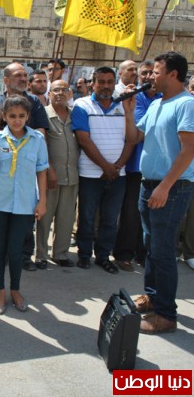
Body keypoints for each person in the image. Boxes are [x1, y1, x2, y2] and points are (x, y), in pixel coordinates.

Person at [124, 51, 194, 334]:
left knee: (163, 251)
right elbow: (134, 137)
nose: (151, 76)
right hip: (149, 184)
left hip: (171, 188)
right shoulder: (156, 103)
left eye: (155, 71)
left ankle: (166, 315)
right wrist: (128, 112)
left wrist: (165, 187)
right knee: (151, 246)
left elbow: (189, 150)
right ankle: (153, 297)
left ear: (173, 74)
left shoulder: (186, 104)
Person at [0, 95, 48, 315]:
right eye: (12, 116)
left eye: (21, 116)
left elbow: (41, 170)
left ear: (28, 116)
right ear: (4, 116)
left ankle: (15, 290)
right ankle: (0, 291)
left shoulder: (37, 139)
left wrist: (42, 201)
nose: (17, 120)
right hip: (0, 202)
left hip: (25, 204)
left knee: (16, 249)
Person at [72, 66, 133, 274]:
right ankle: (84, 254)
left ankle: (104, 256)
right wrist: (106, 167)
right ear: (93, 84)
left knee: (110, 219)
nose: (106, 86)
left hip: (118, 174)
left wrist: (118, 166)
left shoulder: (124, 105)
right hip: (90, 173)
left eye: (110, 82)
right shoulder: (82, 105)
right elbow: (84, 140)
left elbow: (131, 139)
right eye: (101, 82)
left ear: (115, 83)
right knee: (87, 217)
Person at [0, 62, 49, 271]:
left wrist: (38, 161)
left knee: (25, 215)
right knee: (1, 213)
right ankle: (1, 253)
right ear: (6, 80)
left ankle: (25, 255)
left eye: (25, 75)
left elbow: (41, 132)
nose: (23, 79)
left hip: (27, 164)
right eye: (18, 75)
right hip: (2, 164)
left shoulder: (34, 101)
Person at [113, 60, 160, 271]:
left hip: (158, 166)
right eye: (144, 73)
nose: (149, 77)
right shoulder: (135, 98)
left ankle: (144, 253)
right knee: (131, 213)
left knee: (152, 214)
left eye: (153, 73)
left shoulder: (163, 98)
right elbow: (142, 129)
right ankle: (124, 253)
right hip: (135, 165)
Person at [35, 80, 78, 269]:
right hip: (49, 175)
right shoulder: (43, 114)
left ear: (70, 94)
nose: (60, 93)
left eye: (64, 90)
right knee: (45, 217)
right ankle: (41, 255)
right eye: (56, 90)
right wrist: (49, 169)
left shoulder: (76, 115)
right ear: (49, 94)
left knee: (66, 217)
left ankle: (61, 253)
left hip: (71, 174)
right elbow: (41, 144)